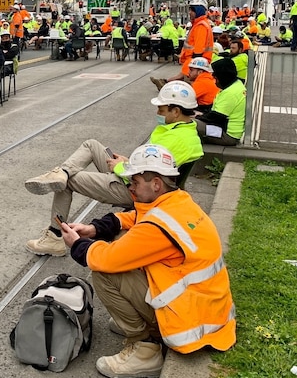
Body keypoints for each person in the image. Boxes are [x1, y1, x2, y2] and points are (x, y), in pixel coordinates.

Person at [58, 144, 236, 378]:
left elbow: (105, 259)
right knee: (121, 241)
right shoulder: (177, 201)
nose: (130, 187)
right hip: (203, 308)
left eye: (135, 182)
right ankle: (141, 323)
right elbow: (139, 217)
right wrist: (96, 228)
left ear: (156, 184)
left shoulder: (158, 228)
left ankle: (145, 348)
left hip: (188, 322)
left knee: (103, 273)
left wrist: (77, 243)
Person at [24, 81, 203, 257]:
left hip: (133, 188)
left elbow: (146, 180)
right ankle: (62, 172)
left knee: (68, 182)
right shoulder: (183, 131)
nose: (157, 113)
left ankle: (54, 237)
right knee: (91, 145)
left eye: (161, 110)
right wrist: (128, 161)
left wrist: (122, 167)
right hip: (137, 178)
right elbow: (152, 168)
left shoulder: (175, 140)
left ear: (176, 111)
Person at [195, 58, 246, 146]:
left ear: (223, 76)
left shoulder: (230, 93)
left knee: (188, 123)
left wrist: (197, 117)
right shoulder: (236, 85)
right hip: (228, 130)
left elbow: (216, 117)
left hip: (226, 135)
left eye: (216, 76)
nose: (214, 78)